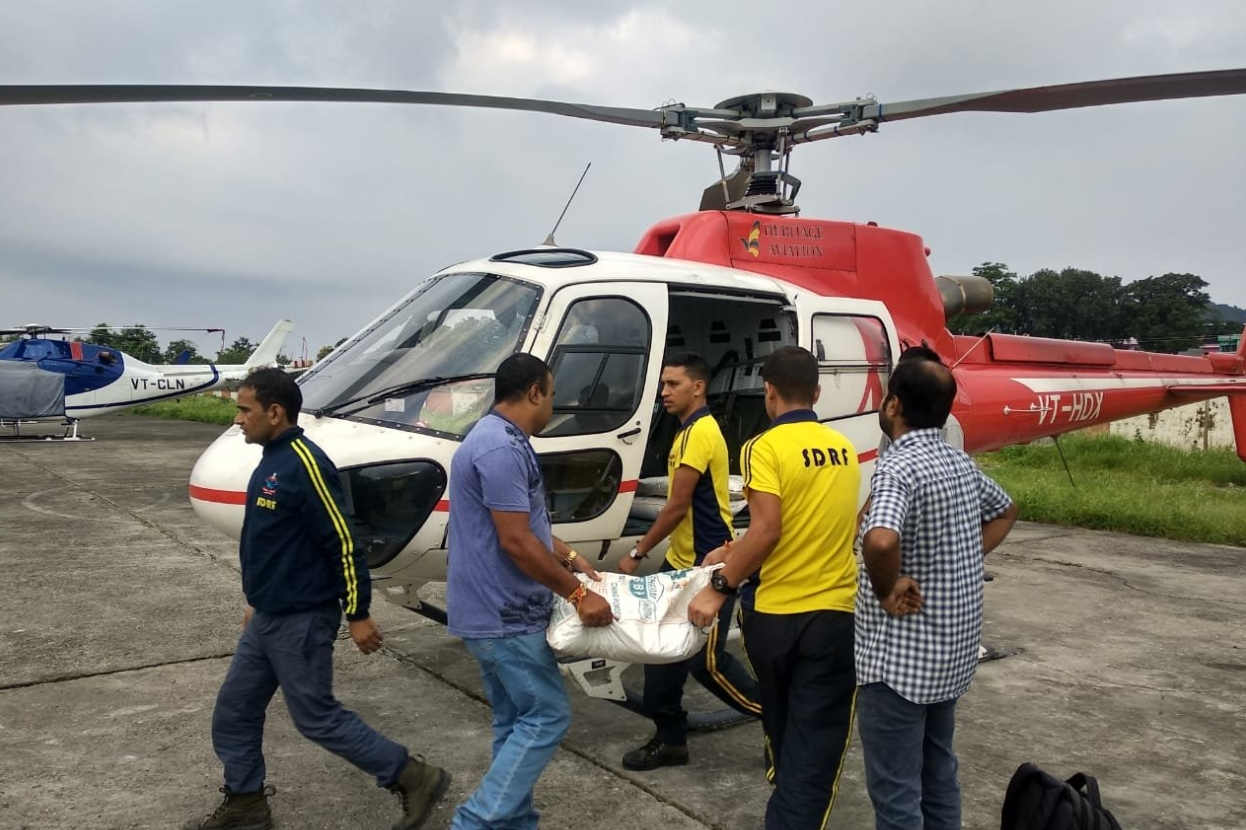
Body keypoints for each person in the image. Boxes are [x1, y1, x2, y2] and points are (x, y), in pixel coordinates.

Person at [184, 368, 449, 830]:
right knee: (233, 712)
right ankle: (246, 806)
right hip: (268, 615)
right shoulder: (269, 458)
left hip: (302, 619)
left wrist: (359, 612)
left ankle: (412, 775)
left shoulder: (306, 463)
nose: (238, 418)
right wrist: (257, 598)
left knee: (316, 717)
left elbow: (343, 542)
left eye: (245, 409)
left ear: (275, 411)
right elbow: (271, 541)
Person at [688, 346, 860, 830]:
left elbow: (769, 529)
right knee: (814, 746)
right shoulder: (843, 449)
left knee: (782, 728)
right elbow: (816, 524)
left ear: (768, 392)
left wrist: (720, 582)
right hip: (831, 619)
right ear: (818, 393)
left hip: (773, 620)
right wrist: (736, 550)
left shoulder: (762, 446)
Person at [446, 352, 612, 830]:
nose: (552, 406)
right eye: (551, 395)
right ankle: (474, 823)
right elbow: (516, 541)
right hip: (504, 614)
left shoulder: (495, 439)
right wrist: (579, 596)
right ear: (535, 392)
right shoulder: (500, 448)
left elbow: (524, 525)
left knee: (514, 722)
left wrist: (571, 558)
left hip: (491, 612)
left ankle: (514, 824)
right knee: (547, 717)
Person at [856, 346, 1019, 830]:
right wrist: (963, 558)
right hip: (949, 657)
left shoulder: (897, 467)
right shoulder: (958, 463)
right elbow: (1006, 509)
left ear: (893, 406)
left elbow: (880, 539)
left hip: (899, 664)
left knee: (897, 792)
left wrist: (888, 589)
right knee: (938, 771)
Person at [617, 352, 762, 770]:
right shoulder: (686, 432)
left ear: (698, 387)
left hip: (709, 565)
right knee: (661, 654)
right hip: (681, 565)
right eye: (663, 384)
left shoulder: (700, 432)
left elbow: (677, 506)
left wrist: (636, 552)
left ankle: (779, 719)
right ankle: (671, 739)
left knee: (706, 661)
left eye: (673, 384)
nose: (664, 392)